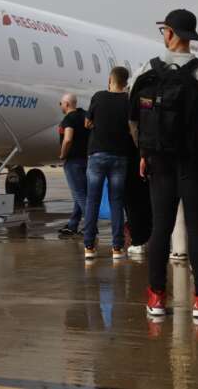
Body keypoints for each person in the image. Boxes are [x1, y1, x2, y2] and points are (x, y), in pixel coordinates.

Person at [130, 9, 198, 318]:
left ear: (168, 33)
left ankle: (156, 298)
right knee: (195, 229)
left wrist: (143, 153)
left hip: (159, 161)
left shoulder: (144, 72)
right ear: (190, 37)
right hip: (196, 161)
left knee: (160, 228)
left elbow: (134, 119)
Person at [82, 66, 134, 260]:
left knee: (92, 200)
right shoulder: (128, 101)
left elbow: (87, 123)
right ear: (125, 82)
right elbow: (131, 128)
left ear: (110, 80)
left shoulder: (98, 97)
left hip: (97, 154)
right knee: (116, 202)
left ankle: (89, 247)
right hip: (119, 156)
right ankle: (117, 248)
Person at [57, 93, 90, 239]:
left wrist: (63, 154)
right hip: (86, 160)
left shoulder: (68, 119)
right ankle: (72, 224)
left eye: (61, 104)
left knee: (80, 195)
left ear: (67, 104)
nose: (60, 106)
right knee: (80, 194)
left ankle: (91, 227)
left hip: (73, 161)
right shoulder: (84, 115)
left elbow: (68, 139)